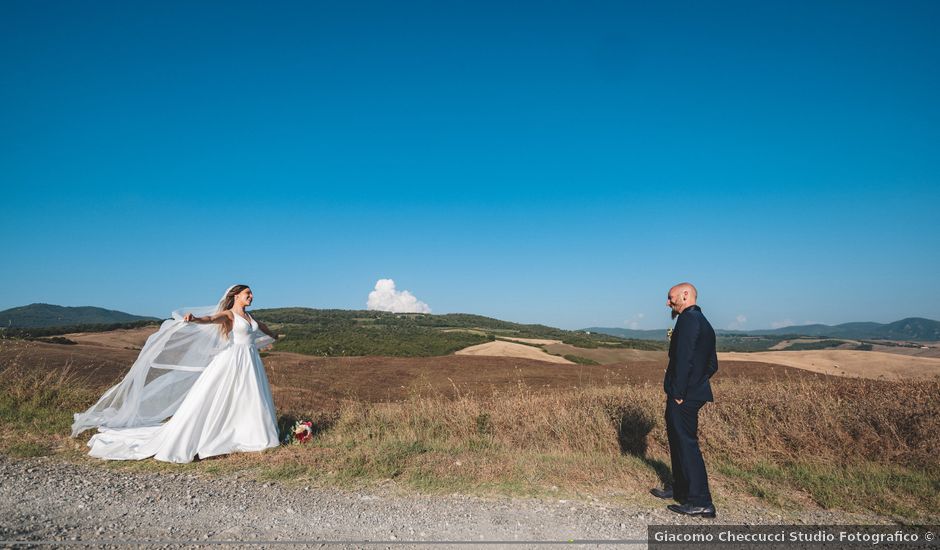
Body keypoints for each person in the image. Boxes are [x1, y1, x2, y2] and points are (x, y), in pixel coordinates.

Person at [71, 285, 281, 463]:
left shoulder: (250, 317)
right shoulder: (229, 315)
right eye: (248, 293)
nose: (251, 296)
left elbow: (260, 327)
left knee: (249, 397)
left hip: (250, 361)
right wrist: (195, 319)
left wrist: (274, 335)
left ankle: (250, 433)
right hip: (232, 360)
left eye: (251, 293)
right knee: (219, 396)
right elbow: (210, 318)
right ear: (236, 296)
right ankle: (216, 433)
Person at [650, 282, 718, 518]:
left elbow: (684, 359)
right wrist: (696, 385)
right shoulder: (704, 322)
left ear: (685, 295)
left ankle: (701, 502)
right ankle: (681, 489)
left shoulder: (688, 320)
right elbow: (712, 365)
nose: (668, 303)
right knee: (678, 442)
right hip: (692, 393)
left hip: (683, 396)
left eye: (671, 298)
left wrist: (679, 392)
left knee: (687, 445)